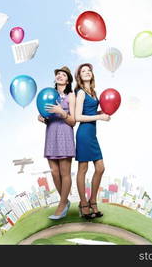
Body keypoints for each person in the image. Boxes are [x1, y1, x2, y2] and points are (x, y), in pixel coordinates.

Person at [38, 66, 76, 220]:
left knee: (64, 172)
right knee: (54, 172)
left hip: (65, 134)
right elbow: (46, 113)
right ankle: (65, 201)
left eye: (63, 74)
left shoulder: (71, 96)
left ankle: (61, 205)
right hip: (51, 133)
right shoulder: (49, 94)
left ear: (68, 80)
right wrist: (43, 118)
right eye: (58, 74)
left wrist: (61, 112)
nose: (60, 76)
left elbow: (73, 121)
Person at [74, 63, 110, 219]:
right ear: (79, 76)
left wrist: (100, 112)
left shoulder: (93, 92)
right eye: (83, 71)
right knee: (83, 168)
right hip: (83, 133)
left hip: (92, 135)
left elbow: (89, 111)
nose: (87, 72)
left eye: (89, 70)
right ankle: (83, 203)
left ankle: (93, 200)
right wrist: (99, 117)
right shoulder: (80, 93)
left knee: (100, 168)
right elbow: (77, 117)